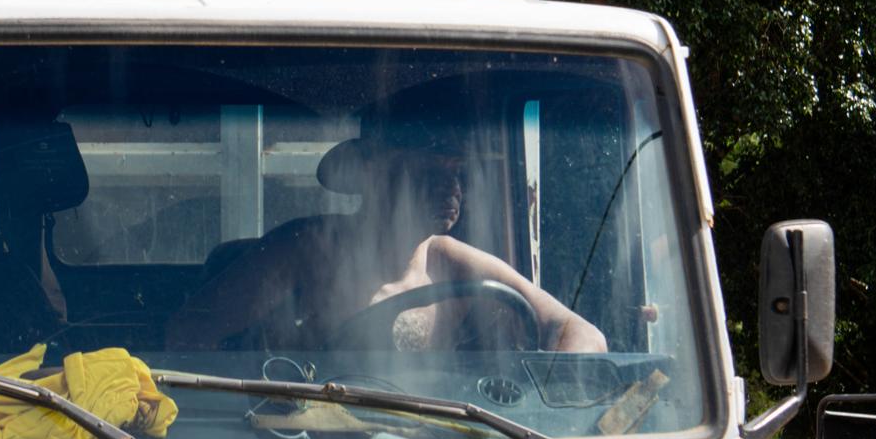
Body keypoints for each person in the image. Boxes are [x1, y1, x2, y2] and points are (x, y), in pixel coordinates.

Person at [165, 123, 607, 355]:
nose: (451, 188)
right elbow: (188, 332)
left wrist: (555, 399)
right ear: (373, 172)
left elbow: (578, 331)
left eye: (456, 172)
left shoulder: (451, 262)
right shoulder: (304, 249)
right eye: (427, 170)